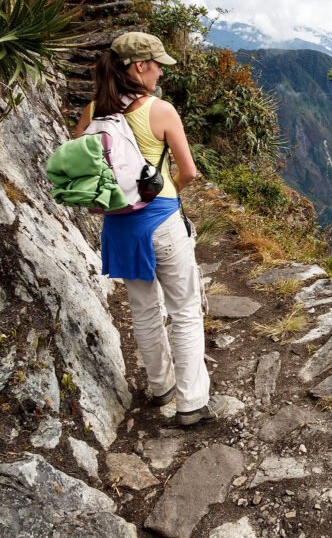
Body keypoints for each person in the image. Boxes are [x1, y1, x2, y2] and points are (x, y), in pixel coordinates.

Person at [74, 31, 222, 426]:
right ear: (140, 67)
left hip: (120, 229)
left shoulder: (92, 113)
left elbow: (77, 168)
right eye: (157, 65)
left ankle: (161, 387)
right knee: (186, 311)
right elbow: (188, 171)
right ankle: (191, 404)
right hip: (162, 222)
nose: (159, 73)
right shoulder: (160, 111)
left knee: (144, 309)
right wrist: (165, 186)